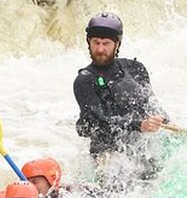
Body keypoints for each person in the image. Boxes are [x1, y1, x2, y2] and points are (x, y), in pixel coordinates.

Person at [73, 12, 170, 183]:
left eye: (106, 43)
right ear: (88, 43)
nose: (100, 49)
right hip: (109, 154)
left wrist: (162, 119)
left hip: (140, 147)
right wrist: (140, 125)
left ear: (117, 44)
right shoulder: (84, 80)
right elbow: (100, 121)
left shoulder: (135, 68)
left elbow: (151, 102)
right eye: (95, 42)